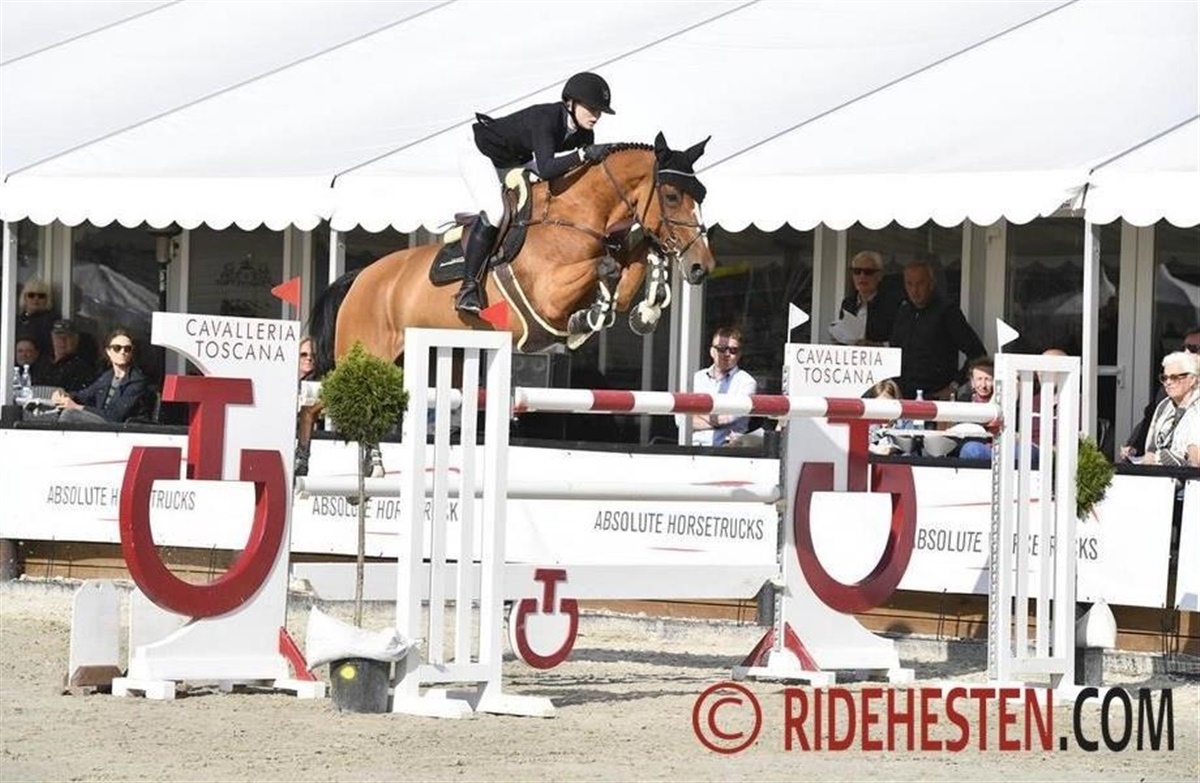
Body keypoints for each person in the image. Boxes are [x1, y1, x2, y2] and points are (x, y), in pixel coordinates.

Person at [455, 72, 615, 315]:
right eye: (591, 109)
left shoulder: (585, 132)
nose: (596, 116)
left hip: (515, 158)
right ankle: (468, 289)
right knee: (496, 212)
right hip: (480, 152)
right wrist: (582, 154)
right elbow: (548, 168)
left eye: (599, 111)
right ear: (570, 103)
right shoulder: (546, 118)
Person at [889, 255, 986, 400]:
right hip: (903, 396)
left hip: (935, 397)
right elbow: (894, 349)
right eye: (909, 284)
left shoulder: (947, 311)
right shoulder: (904, 311)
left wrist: (954, 386)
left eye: (920, 283)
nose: (914, 290)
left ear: (931, 283)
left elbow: (977, 353)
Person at [1122, 326, 1200, 461]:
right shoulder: (1166, 396)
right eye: (1184, 348)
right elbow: (1150, 418)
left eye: (1193, 349)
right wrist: (1134, 446)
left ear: (1192, 379)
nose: (1186, 353)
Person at [49, 328, 147, 425]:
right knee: (53, 415)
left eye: (127, 349)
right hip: (103, 424)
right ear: (108, 351)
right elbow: (84, 395)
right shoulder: (108, 376)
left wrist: (75, 407)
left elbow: (115, 416)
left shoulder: (137, 381)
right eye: (117, 348)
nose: (122, 352)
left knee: (69, 415)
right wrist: (64, 395)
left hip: (121, 428)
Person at [684, 327, 758, 446]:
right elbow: (681, 420)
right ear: (712, 351)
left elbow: (726, 418)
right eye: (721, 349)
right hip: (693, 447)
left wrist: (696, 415)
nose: (726, 354)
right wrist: (718, 424)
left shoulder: (746, 382)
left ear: (739, 354)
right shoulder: (696, 378)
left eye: (733, 350)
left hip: (727, 449)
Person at [1139, 351, 1200, 467]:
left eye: (1174, 377)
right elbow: (1151, 447)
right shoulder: (1164, 405)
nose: (1168, 382)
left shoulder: (1197, 409)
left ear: (1192, 379)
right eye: (1165, 378)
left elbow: (1195, 461)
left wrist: (1163, 458)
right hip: (1158, 473)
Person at [831, 251, 901, 346]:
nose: (862, 276)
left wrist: (875, 346)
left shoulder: (893, 305)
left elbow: (900, 341)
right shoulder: (848, 303)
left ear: (879, 276)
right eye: (857, 271)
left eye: (868, 272)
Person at [42, 319, 97, 392]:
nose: (62, 341)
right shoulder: (43, 363)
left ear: (76, 339)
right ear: (52, 338)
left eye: (68, 337)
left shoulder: (80, 369)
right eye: (58, 337)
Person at [16, 278, 57, 357]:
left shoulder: (50, 320)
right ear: (24, 298)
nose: (36, 299)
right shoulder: (17, 320)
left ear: (47, 299)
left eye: (41, 296)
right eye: (31, 295)